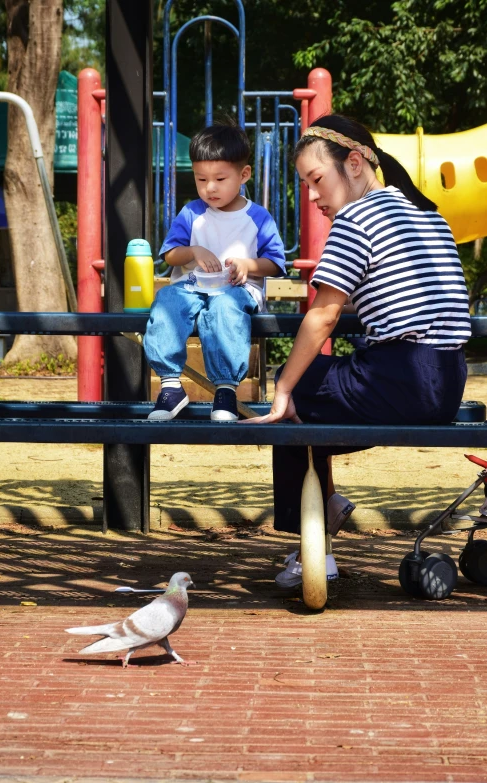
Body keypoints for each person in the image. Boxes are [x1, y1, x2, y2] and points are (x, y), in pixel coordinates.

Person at [246, 114, 471, 588]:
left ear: (354, 163)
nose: (312, 195)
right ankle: (323, 510)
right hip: (449, 382)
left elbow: (324, 313)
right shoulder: (424, 211)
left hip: (403, 376)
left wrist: (284, 386)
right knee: (312, 408)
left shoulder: (357, 218)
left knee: (295, 399)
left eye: (316, 179)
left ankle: (315, 548)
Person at [144, 122, 286, 422]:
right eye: (201, 179)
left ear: (243, 175)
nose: (210, 187)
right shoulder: (192, 213)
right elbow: (170, 254)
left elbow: (275, 262)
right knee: (166, 300)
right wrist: (194, 252)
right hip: (191, 288)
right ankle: (171, 385)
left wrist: (249, 265)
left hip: (235, 292)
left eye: (220, 178)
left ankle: (225, 390)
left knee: (224, 307)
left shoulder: (257, 217)